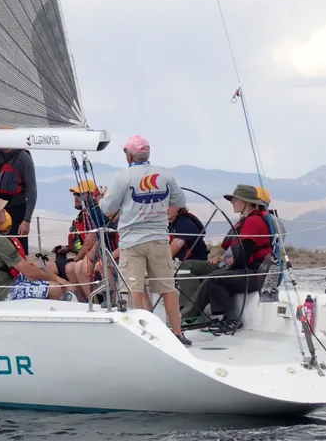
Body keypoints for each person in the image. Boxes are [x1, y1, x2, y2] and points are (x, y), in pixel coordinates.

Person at [98, 135, 191, 346]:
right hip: (159, 239)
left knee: (134, 289)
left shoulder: (123, 176)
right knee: (168, 287)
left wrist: (100, 199)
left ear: (129, 156)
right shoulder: (165, 174)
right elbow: (179, 200)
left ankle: (142, 336)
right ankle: (177, 333)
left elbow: (108, 208)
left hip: (132, 242)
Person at [0, 194, 72, 302]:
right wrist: (56, 278)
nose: (4, 210)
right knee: (55, 288)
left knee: (46, 269)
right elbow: (26, 269)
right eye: (0, 209)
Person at [204, 184, 273, 332]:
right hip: (259, 272)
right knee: (217, 276)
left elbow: (244, 255)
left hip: (258, 274)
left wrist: (229, 268)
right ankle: (223, 318)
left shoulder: (252, 222)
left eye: (235, 200)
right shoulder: (252, 220)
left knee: (216, 279)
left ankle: (233, 321)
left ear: (246, 202)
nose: (232, 203)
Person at [0, 147, 37, 254]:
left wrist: (27, 220)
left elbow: (32, 191)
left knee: (17, 249)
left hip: (16, 209)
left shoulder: (23, 158)